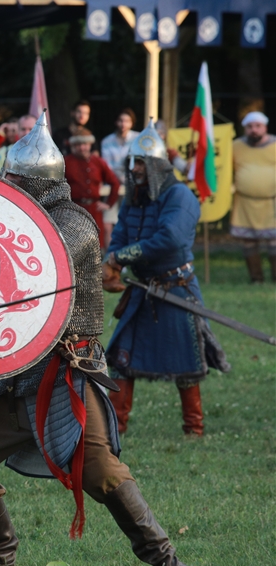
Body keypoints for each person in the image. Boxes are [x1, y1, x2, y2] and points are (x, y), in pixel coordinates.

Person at [0, 112, 203, 566]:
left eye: (14, 181)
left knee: (101, 472)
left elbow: (28, 266)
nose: (7, 188)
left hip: (65, 371)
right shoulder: (11, 223)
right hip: (15, 373)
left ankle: (168, 562)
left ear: (36, 183)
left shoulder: (72, 224)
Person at [104, 120, 230, 436]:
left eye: (141, 164)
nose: (135, 170)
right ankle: (114, 429)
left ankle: (194, 429)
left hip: (176, 289)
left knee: (187, 362)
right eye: (132, 163)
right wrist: (111, 261)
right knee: (120, 359)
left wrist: (121, 258)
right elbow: (119, 235)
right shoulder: (133, 198)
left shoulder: (180, 197)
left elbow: (169, 240)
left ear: (158, 165)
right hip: (141, 292)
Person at [230, 111, 275, 283]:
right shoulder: (235, 146)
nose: (254, 130)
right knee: (249, 242)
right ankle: (256, 279)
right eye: (250, 127)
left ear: (265, 127)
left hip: (272, 202)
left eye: (258, 126)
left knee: (274, 243)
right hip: (245, 202)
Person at [63, 127, 120, 247]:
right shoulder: (65, 162)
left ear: (90, 144)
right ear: (73, 145)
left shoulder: (98, 162)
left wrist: (108, 204)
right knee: (74, 246)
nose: (82, 147)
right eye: (78, 144)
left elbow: (114, 182)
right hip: (74, 211)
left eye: (84, 144)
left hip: (95, 211)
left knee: (95, 247)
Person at [99, 108, 138, 249]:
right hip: (112, 185)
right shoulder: (107, 141)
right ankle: (109, 256)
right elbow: (108, 167)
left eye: (127, 121)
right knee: (108, 223)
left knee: (129, 222)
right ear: (116, 122)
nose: (123, 124)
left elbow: (137, 163)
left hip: (132, 185)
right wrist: (121, 177)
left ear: (132, 123)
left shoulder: (138, 139)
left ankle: (126, 255)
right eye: (121, 120)